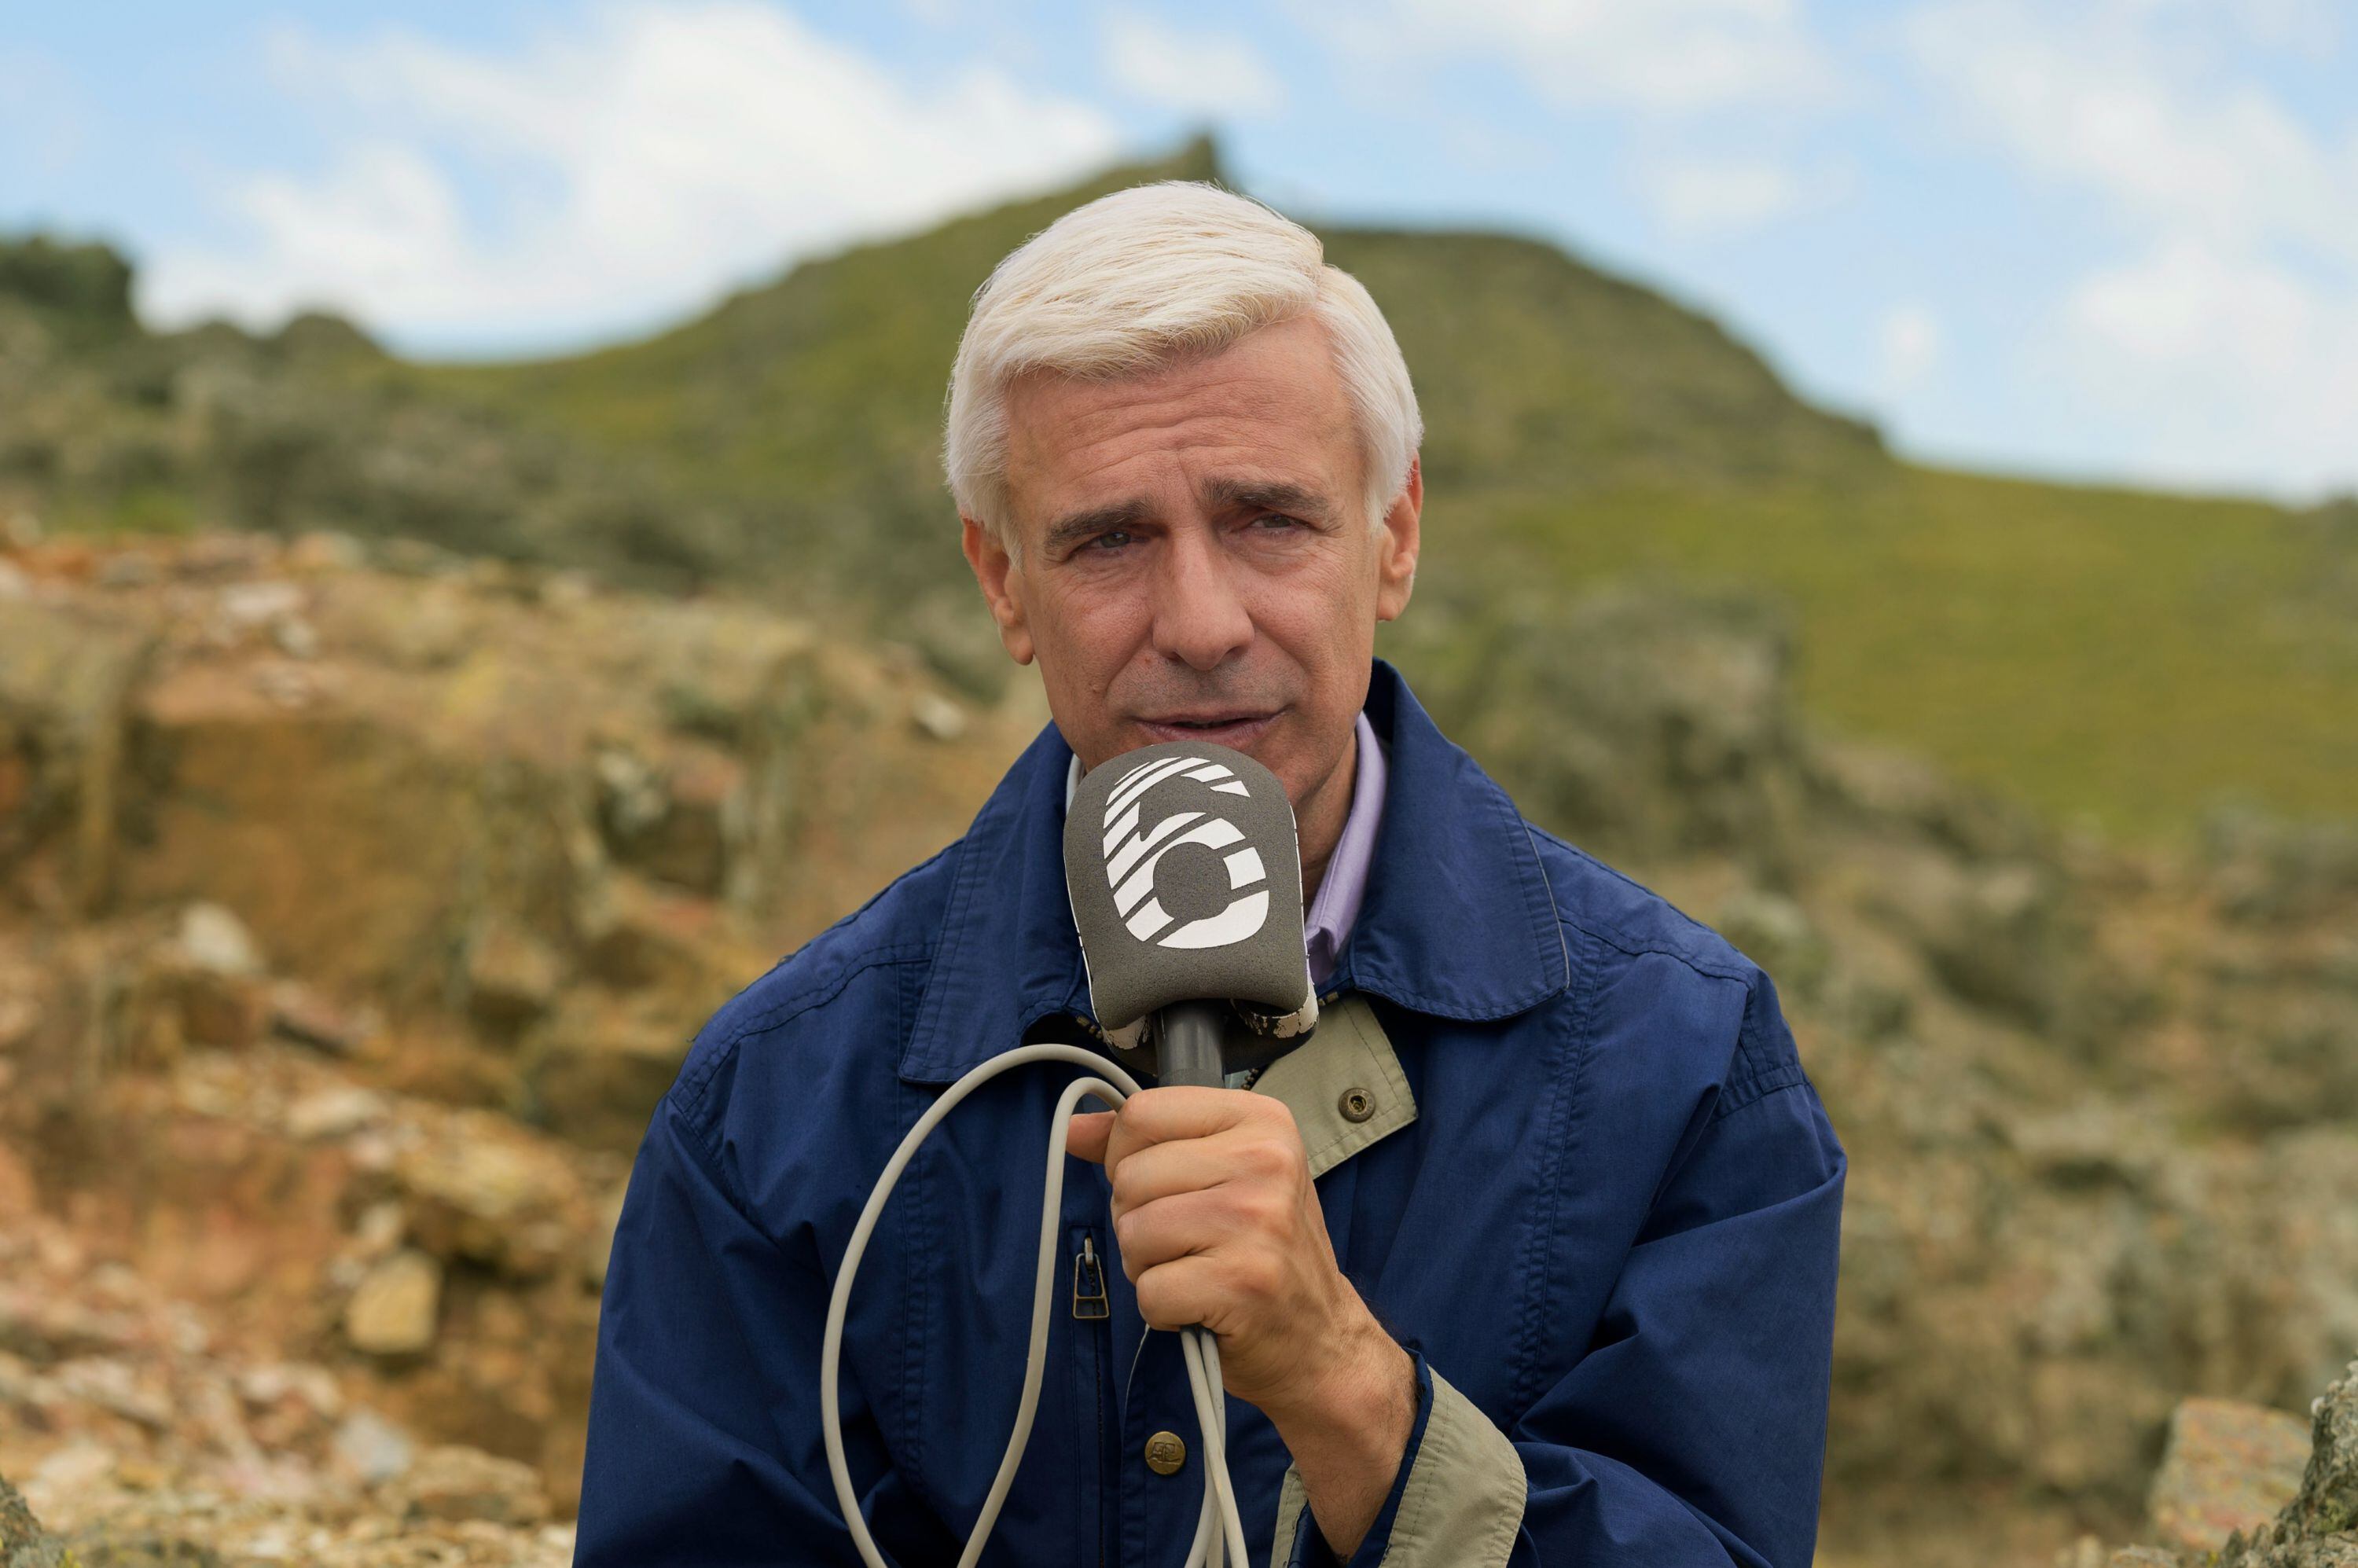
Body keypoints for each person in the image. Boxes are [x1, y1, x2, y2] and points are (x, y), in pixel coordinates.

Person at [574, 181, 1846, 1567]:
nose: (1199, 622)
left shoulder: (1691, 1064)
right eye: (1109, 540)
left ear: (1395, 535)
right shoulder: (772, 1109)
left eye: (1268, 520)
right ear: (1003, 583)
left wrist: (1346, 1384)